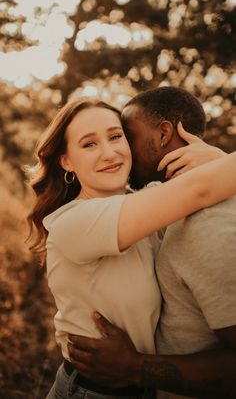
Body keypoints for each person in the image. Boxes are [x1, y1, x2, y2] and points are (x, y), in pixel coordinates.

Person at [27, 97, 236, 399]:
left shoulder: (143, 201)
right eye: (89, 144)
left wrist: (212, 157)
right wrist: (219, 159)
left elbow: (194, 187)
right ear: (66, 161)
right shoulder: (74, 223)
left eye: (115, 136)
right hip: (92, 392)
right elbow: (199, 190)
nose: (109, 153)